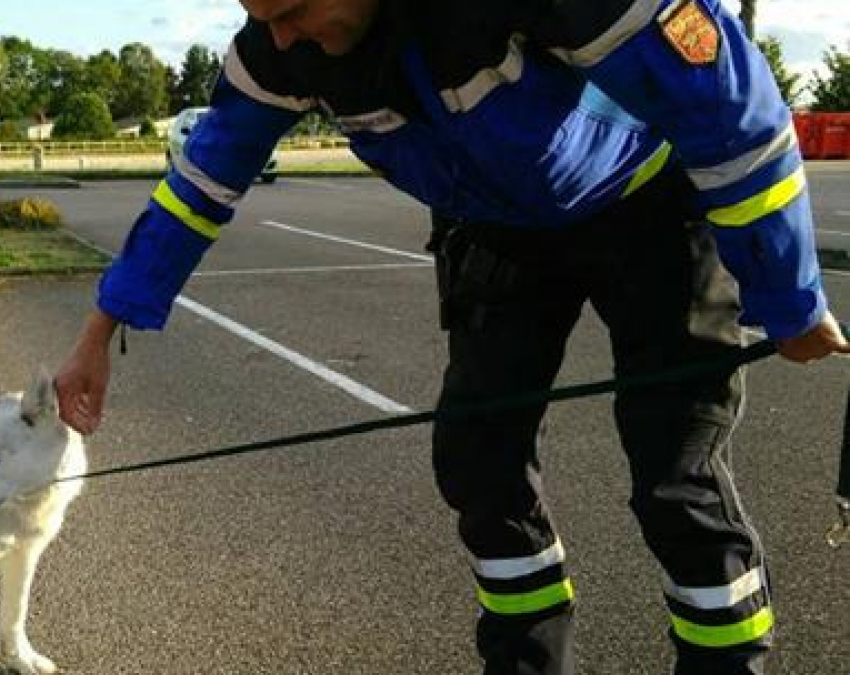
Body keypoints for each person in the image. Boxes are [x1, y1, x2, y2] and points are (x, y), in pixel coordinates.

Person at [54, 1, 850, 672]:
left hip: (649, 206)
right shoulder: (279, 51)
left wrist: (791, 299)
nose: (283, 36)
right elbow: (197, 187)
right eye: (261, 14)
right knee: (479, 461)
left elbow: (736, 115)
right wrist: (101, 328)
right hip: (499, 231)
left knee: (677, 478)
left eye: (294, 9)